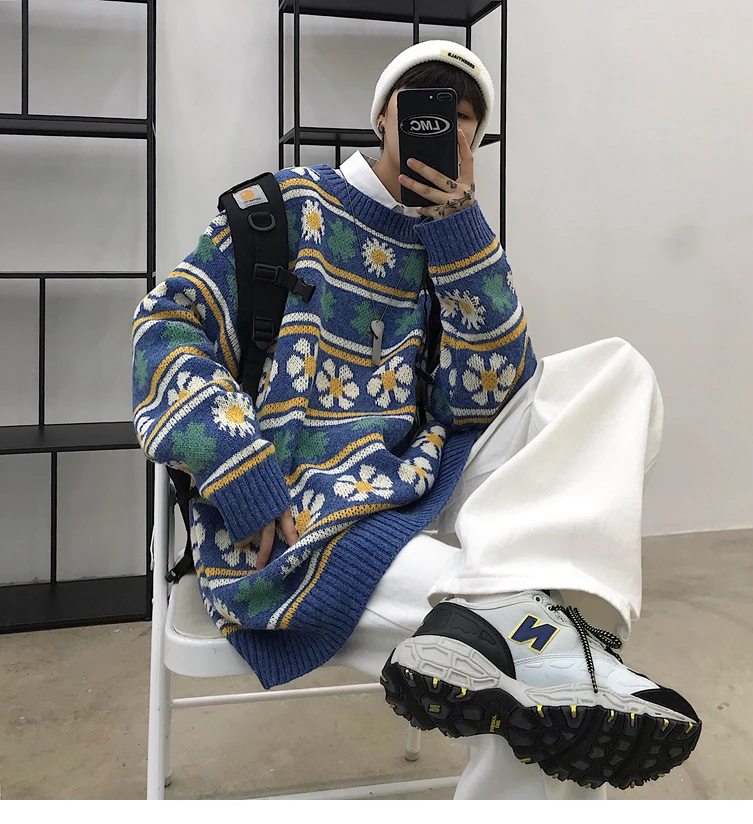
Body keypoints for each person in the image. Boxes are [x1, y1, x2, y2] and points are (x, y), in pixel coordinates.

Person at [132, 40, 700, 800]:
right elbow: (163, 330)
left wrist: (460, 235)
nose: (446, 127)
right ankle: (544, 634)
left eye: (465, 118)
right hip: (305, 515)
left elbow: (489, 395)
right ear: (383, 119)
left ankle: (532, 619)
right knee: (541, 677)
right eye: (428, 108)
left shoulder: (452, 236)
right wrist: (239, 469)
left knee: (618, 371)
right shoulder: (283, 210)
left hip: (423, 478)